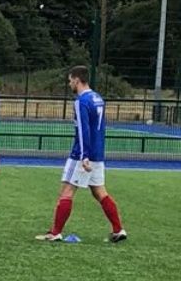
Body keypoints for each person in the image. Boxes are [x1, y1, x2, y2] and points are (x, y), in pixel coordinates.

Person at [35, 65, 127, 243]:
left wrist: (84, 155)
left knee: (66, 192)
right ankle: (118, 229)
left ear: (77, 80)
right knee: (100, 192)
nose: (69, 84)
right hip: (98, 153)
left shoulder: (81, 101)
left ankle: (55, 232)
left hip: (81, 154)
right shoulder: (97, 98)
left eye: (70, 80)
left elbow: (84, 130)